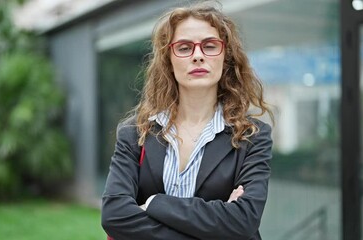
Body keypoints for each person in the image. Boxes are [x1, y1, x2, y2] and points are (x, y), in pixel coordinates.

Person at [101, 1, 273, 239]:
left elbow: (243, 220)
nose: (198, 56)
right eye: (184, 48)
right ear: (168, 60)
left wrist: (154, 203)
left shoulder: (252, 136)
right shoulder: (134, 132)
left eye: (210, 46)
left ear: (226, 57)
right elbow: (114, 216)